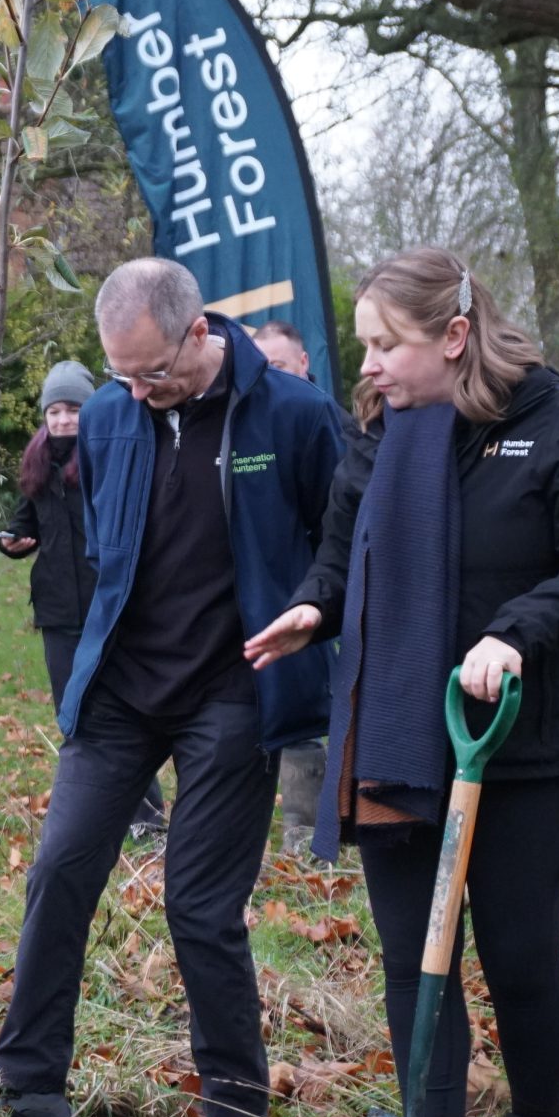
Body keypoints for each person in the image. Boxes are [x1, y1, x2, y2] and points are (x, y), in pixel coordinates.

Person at [245, 247, 559, 1117]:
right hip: (395, 741)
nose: (371, 366)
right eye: (364, 345)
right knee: (409, 955)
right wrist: (315, 606)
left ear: (457, 336)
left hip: (521, 746)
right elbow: (343, 554)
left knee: (519, 958)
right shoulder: (382, 435)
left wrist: (518, 631)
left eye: (390, 345)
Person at [0, 258, 348, 1117]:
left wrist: (315, 608)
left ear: (201, 333)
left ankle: (235, 1112)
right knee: (60, 869)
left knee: (199, 904)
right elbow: (113, 545)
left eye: (154, 373)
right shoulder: (112, 416)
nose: (139, 393)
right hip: (121, 692)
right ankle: (28, 1087)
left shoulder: (295, 416)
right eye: (121, 375)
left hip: (233, 691)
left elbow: (347, 541)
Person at [0, 360, 163, 838]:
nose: (64, 420)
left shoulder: (107, 457)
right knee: (74, 711)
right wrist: (9, 543)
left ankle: (147, 816)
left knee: (122, 709)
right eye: (55, 412)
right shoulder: (37, 467)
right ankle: (96, 812)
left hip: (107, 607)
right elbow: (23, 525)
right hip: (56, 610)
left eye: (73, 410)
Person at [239, 321, 330, 857]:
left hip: (301, 599)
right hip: (244, 601)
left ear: (301, 365)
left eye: (277, 364)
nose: (266, 374)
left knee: (300, 719)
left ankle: (305, 832)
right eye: (260, 364)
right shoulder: (237, 427)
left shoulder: (317, 418)